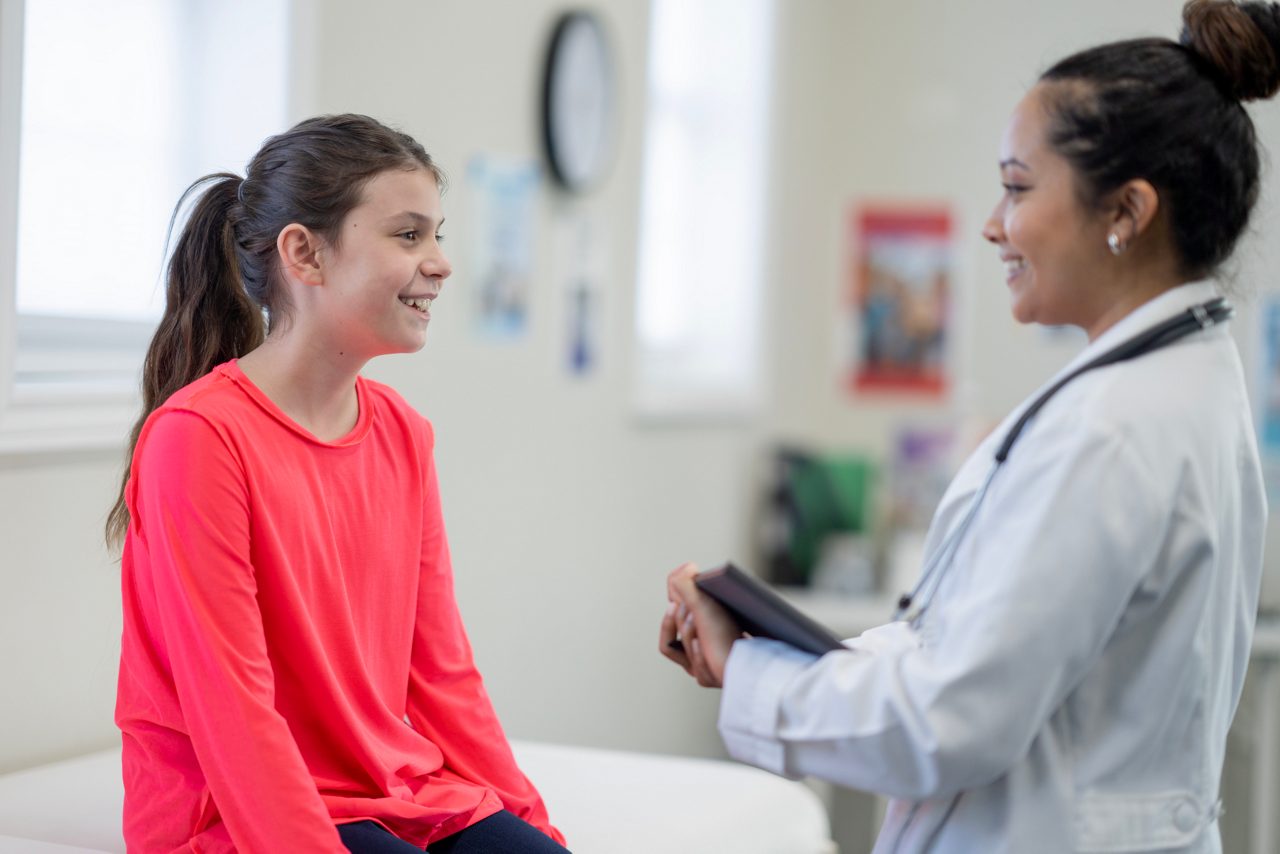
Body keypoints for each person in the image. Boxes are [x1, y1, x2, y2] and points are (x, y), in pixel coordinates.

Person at [660, 2, 1276, 851]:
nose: (993, 223)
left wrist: (750, 672)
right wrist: (801, 656)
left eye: (1019, 187)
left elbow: (947, 724)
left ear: (1127, 212)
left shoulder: (1113, 428)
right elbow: (967, 653)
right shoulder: (1179, 382)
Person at [107, 114, 569, 853]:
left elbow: (443, 674)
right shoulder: (199, 439)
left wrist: (538, 832)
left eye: (438, 235)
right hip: (231, 817)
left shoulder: (403, 433)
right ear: (305, 254)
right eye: (409, 235)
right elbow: (234, 708)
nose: (442, 263)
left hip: (393, 794)